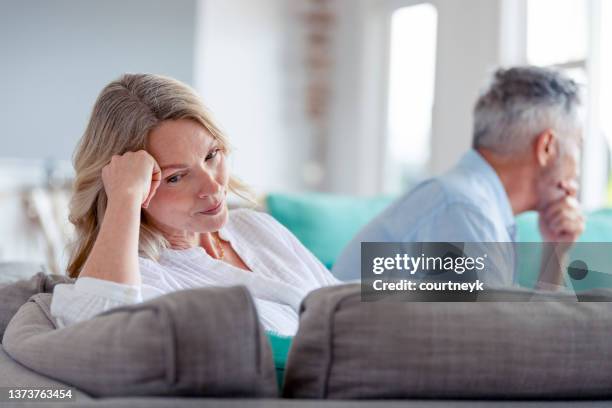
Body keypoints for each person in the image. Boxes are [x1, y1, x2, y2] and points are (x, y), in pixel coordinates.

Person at [50, 73, 339, 336]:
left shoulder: (255, 226)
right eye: (176, 177)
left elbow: (346, 305)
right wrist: (123, 197)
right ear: (135, 188)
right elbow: (95, 332)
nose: (213, 187)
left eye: (212, 155)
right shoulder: (142, 275)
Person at [333, 66, 585, 287]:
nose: (578, 169)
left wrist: (556, 251)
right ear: (547, 147)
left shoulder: (472, 202)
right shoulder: (465, 211)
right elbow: (503, 340)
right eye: (578, 144)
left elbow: (516, 332)